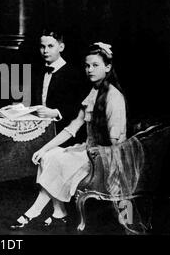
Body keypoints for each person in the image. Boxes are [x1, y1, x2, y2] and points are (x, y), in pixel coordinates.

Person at [10, 42, 127, 231]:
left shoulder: (114, 97)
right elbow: (73, 127)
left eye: (95, 65)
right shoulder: (94, 91)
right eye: (87, 65)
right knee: (48, 156)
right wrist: (44, 148)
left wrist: (106, 164)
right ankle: (59, 212)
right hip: (88, 150)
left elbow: (117, 143)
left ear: (108, 67)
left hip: (105, 158)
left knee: (61, 163)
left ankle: (33, 212)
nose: (89, 70)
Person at [31, 30, 89, 134]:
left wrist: (55, 112)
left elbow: (77, 107)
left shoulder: (73, 74)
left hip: (64, 131)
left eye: (50, 46)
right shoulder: (38, 72)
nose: (45, 51)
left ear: (61, 47)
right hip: (40, 128)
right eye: (42, 47)